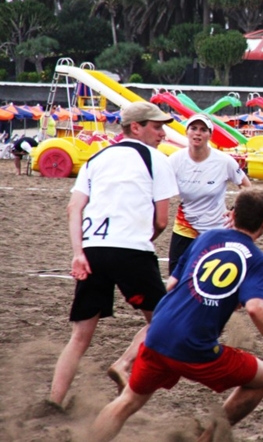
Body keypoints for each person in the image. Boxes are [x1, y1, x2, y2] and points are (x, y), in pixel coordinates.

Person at [89, 189, 263, 442]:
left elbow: (172, 285)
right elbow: (255, 307)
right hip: (193, 346)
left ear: (232, 215)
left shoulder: (207, 237)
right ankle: (207, 439)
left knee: (127, 401)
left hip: (156, 333)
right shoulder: (257, 259)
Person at [49, 101, 179, 407]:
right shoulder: (156, 160)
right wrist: (141, 237)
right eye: (156, 127)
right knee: (164, 322)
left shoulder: (96, 158)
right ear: (136, 127)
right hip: (132, 251)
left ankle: (53, 401)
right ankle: (123, 364)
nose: (162, 133)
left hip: (92, 250)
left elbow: (74, 208)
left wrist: (78, 253)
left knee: (79, 338)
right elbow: (162, 221)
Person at [168, 113, 251, 274]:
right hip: (185, 226)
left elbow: (247, 187)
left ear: (210, 135)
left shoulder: (224, 161)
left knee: (214, 277)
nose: (197, 133)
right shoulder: (175, 160)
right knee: (176, 275)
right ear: (186, 132)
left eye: (203, 130)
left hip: (216, 228)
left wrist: (237, 211)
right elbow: (157, 186)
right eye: (193, 128)